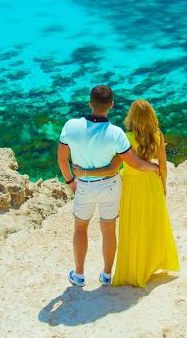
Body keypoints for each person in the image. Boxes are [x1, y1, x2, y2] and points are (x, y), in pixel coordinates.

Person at [57, 85, 159, 288]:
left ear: (90, 103)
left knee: (80, 228)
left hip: (84, 186)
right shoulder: (116, 133)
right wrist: (154, 167)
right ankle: (106, 274)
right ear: (111, 105)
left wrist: (70, 182)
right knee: (108, 230)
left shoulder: (71, 126)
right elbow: (135, 163)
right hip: (110, 186)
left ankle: (78, 274)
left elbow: (62, 160)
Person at [73, 99, 179, 288]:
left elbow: (112, 168)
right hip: (152, 184)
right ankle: (150, 265)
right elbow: (163, 166)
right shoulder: (158, 135)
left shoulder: (126, 137)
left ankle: (134, 269)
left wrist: (85, 172)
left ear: (131, 117)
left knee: (132, 228)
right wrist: (163, 187)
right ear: (151, 116)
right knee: (151, 227)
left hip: (130, 186)